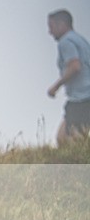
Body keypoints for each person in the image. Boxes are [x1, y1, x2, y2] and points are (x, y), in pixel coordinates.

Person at [46, 9, 90, 146]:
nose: (50, 32)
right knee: (66, 138)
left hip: (81, 99)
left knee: (66, 140)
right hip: (83, 98)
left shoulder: (66, 42)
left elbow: (74, 66)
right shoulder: (81, 40)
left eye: (51, 27)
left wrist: (55, 86)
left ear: (61, 25)